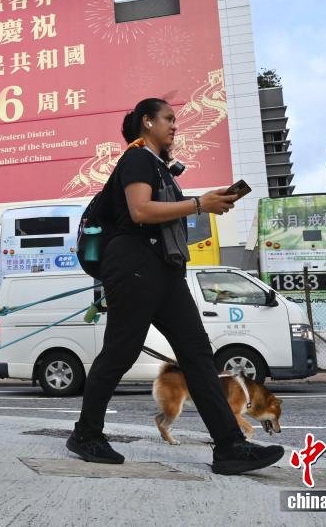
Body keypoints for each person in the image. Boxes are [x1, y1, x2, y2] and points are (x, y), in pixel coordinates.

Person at [66, 97, 284, 476]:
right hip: (133, 264)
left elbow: (168, 214)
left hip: (164, 270)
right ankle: (85, 434)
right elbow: (140, 211)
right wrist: (200, 203)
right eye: (168, 119)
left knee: (197, 354)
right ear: (146, 122)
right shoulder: (136, 159)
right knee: (121, 350)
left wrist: (209, 203)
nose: (174, 126)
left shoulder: (160, 167)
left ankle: (230, 446)